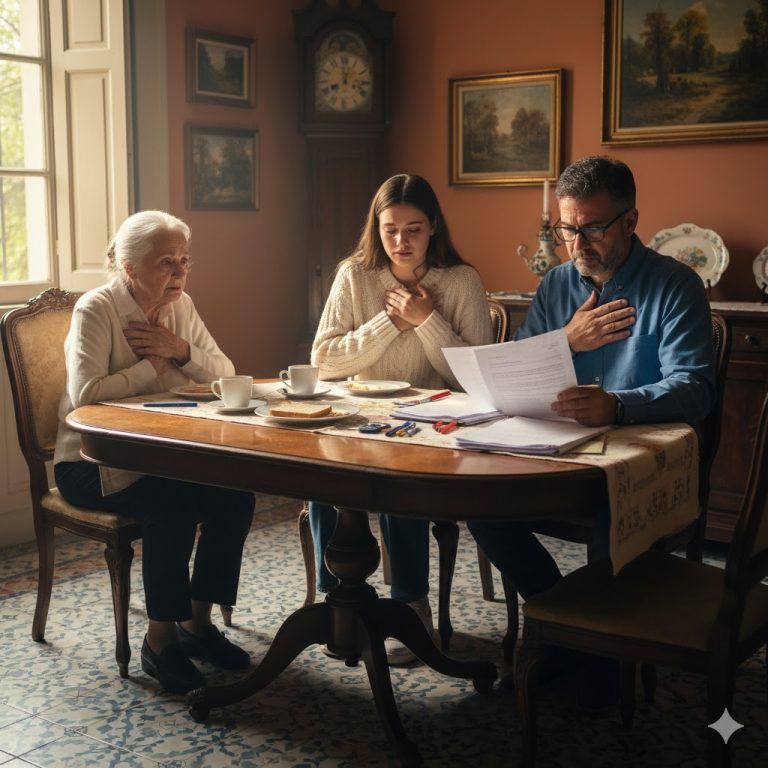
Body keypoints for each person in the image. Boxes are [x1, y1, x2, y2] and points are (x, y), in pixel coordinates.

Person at [468, 155, 715, 701]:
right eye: (567, 229)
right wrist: (565, 343)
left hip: (637, 466)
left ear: (630, 221)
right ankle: (569, 632)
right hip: (556, 456)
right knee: (481, 506)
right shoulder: (556, 284)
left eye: (594, 228)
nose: (578, 244)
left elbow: (695, 387)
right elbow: (517, 364)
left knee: (612, 513)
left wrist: (619, 405)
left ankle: (603, 664)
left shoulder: (676, 287)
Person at [54, 210, 255, 695]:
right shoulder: (97, 309)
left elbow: (224, 370)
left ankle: (197, 624)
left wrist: (180, 350)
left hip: (165, 456)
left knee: (236, 496)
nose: (179, 273)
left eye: (185, 261)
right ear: (128, 266)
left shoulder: (180, 304)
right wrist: (153, 364)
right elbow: (87, 396)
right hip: (90, 464)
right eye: (166, 262)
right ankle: (159, 640)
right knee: (173, 505)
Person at [309, 173, 494, 664]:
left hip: (434, 423)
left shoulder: (461, 281)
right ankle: (337, 603)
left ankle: (410, 610)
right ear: (377, 227)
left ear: (433, 227)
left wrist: (426, 320)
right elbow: (324, 360)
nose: (401, 241)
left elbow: (477, 376)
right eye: (390, 229)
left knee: (399, 479)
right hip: (358, 419)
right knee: (317, 473)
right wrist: (389, 320)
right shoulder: (355, 275)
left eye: (413, 229)